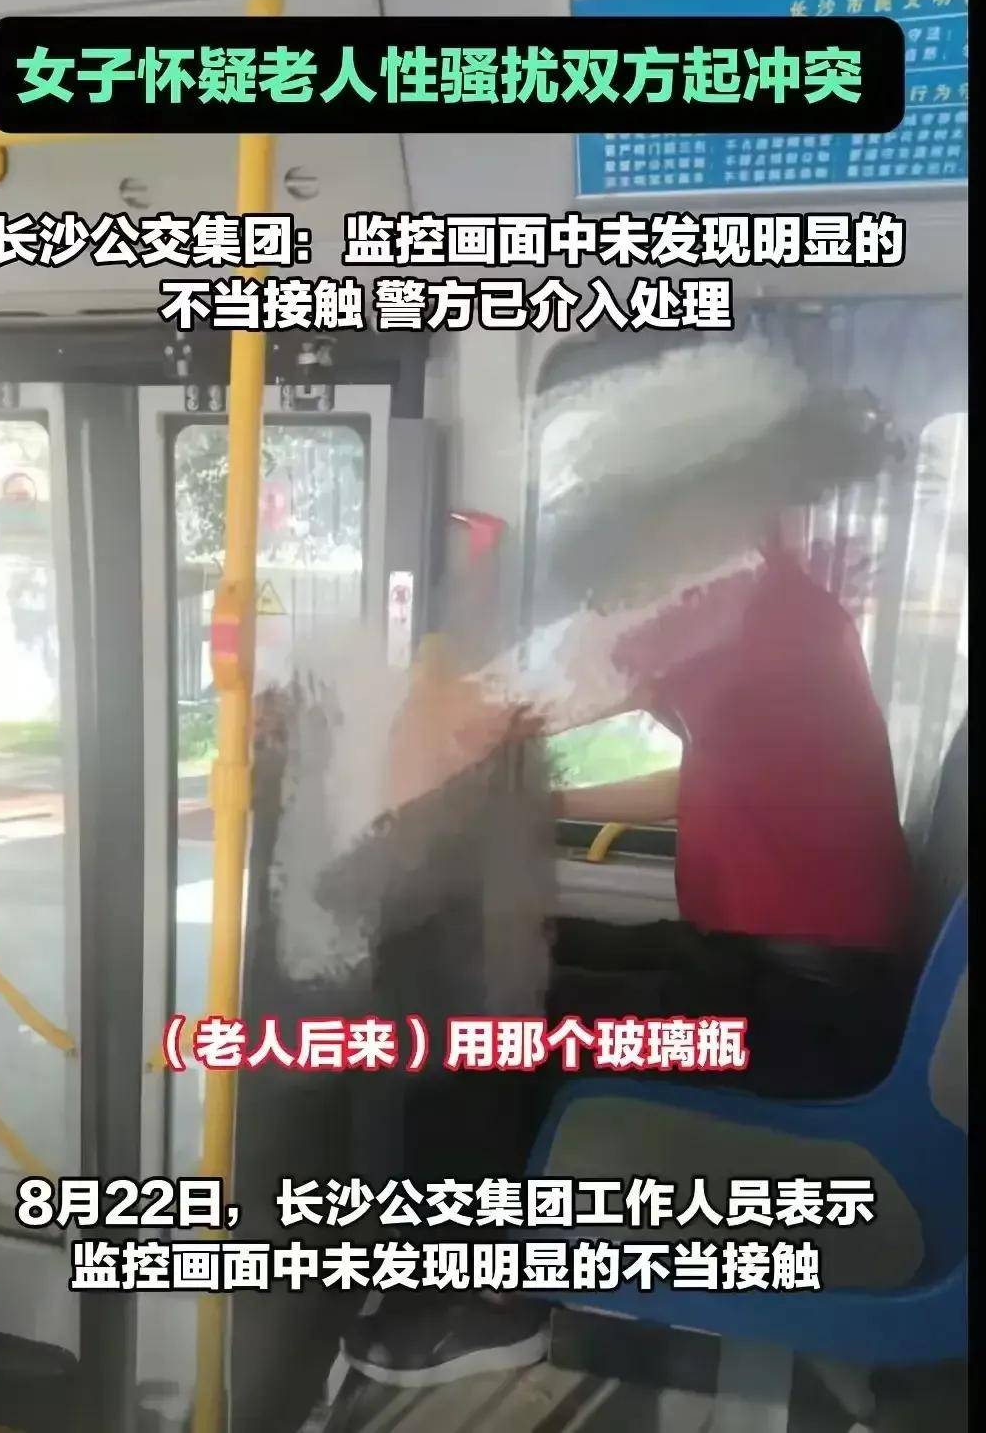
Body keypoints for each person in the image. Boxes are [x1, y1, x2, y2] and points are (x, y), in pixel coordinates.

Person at [342, 388, 915, 1388]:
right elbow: (703, 770)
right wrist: (551, 791)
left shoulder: (733, 606)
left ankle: (490, 1304)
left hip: (796, 1015)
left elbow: (496, 710)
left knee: (469, 1024)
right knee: (522, 965)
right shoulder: (777, 600)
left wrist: (379, 756)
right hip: (786, 977)